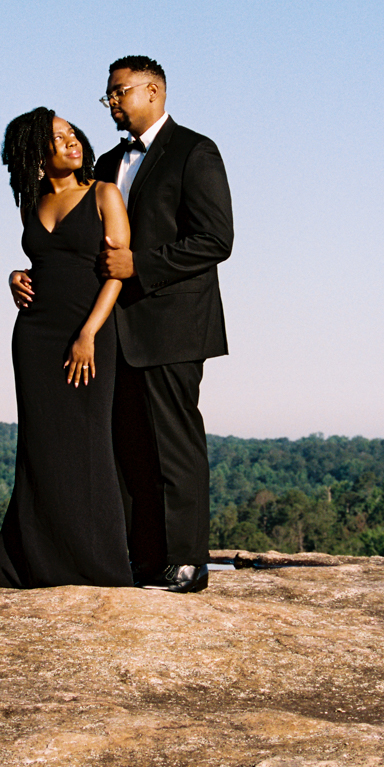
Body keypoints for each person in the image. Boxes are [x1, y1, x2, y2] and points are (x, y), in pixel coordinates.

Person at [94, 56, 233, 593]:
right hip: (115, 330)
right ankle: (142, 559)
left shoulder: (195, 151)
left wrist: (141, 267)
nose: (111, 102)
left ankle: (187, 563)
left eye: (119, 91)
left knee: (173, 446)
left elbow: (216, 239)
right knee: (127, 450)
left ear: (153, 91)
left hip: (173, 326)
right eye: (106, 94)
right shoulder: (106, 162)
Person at [0, 107, 134, 589]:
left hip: (89, 334)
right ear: (34, 153)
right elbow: (41, 261)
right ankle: (31, 563)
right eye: (57, 137)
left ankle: (100, 566)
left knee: (89, 446)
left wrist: (89, 333)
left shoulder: (104, 195)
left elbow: (116, 274)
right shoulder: (30, 205)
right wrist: (15, 275)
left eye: (72, 133)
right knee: (39, 446)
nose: (72, 141)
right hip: (35, 336)